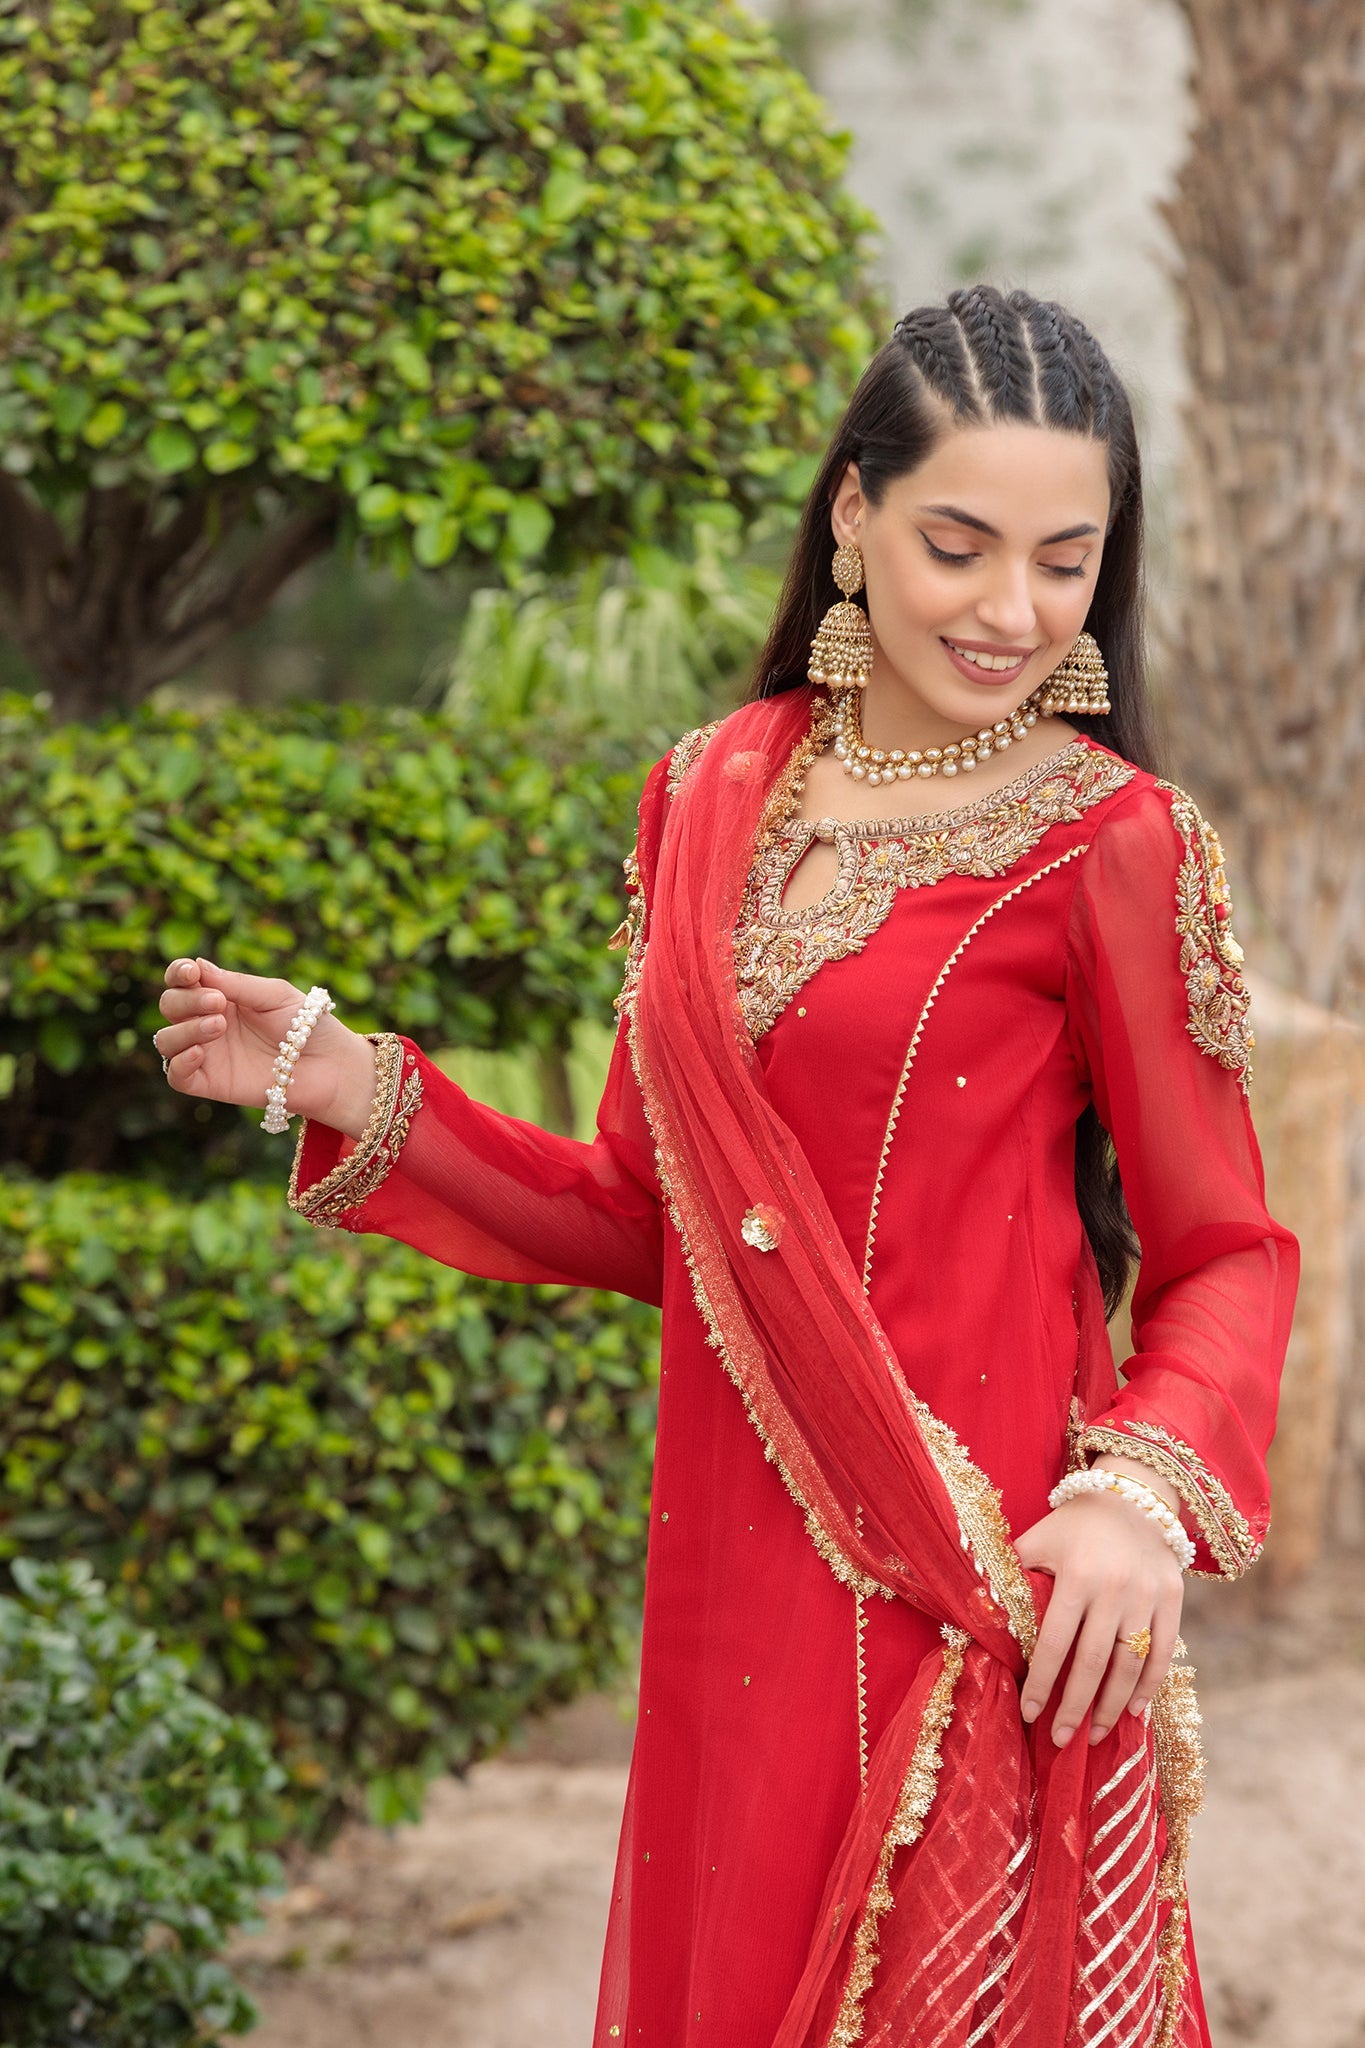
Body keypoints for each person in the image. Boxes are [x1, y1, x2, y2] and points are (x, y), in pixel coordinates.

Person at [155, 284, 1297, 2048]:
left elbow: (1225, 1248)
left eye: (1062, 562)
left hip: (976, 1590)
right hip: (733, 1591)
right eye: (957, 546)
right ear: (852, 516)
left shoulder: (1112, 847)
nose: (1008, 609)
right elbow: (652, 1217)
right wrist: (355, 1084)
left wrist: (1134, 1499)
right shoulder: (707, 799)